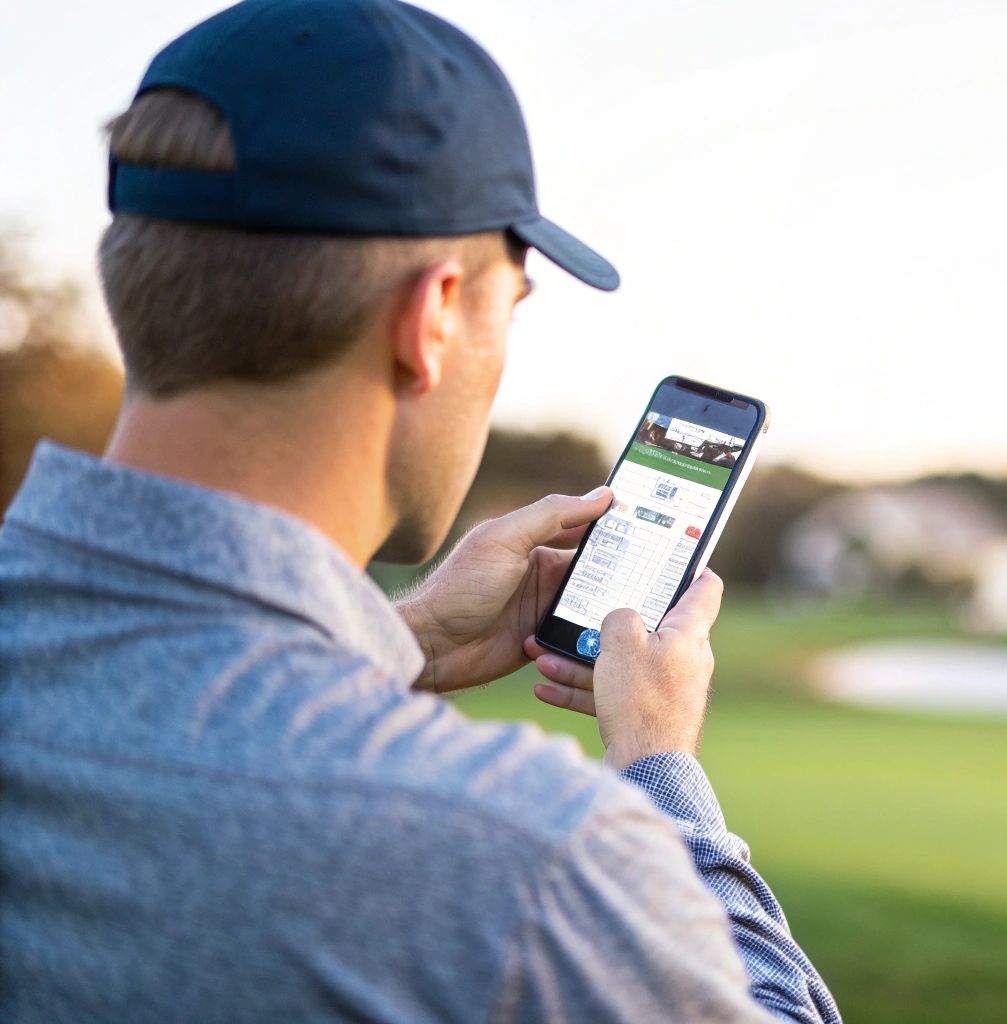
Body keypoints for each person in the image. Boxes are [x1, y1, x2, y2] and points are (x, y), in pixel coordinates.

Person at [0, 1, 839, 1021]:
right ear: (432, 318)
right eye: (509, 308)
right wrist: (659, 767)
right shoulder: (528, 862)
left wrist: (407, 645)